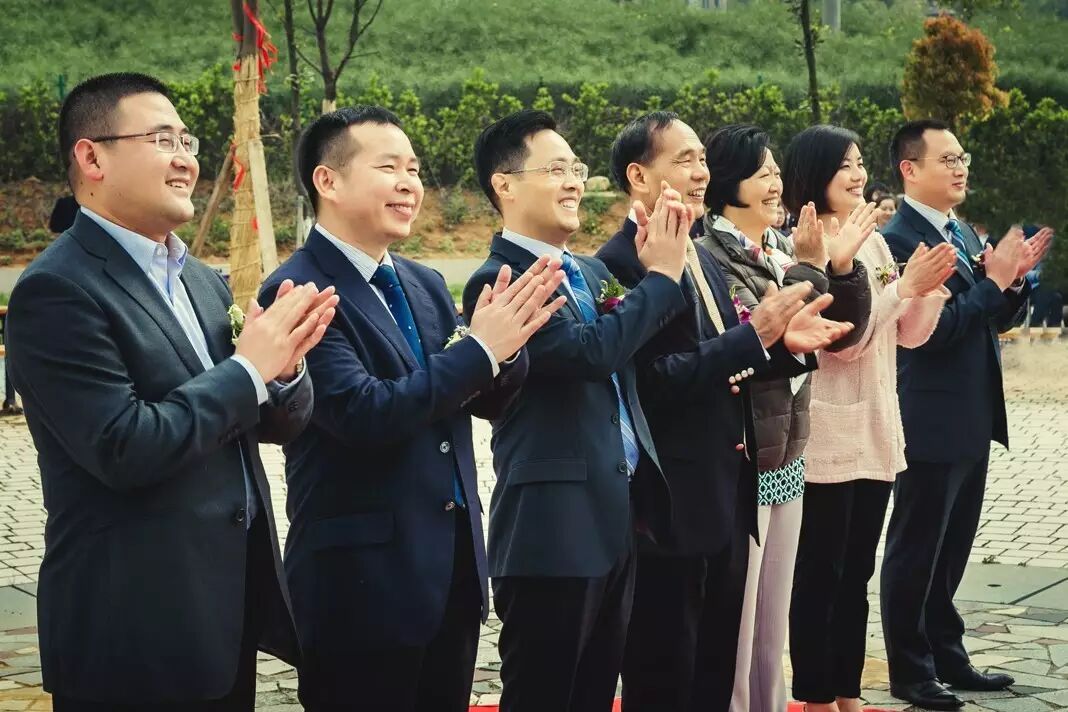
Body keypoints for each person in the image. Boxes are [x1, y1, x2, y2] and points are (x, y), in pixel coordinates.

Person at [5, 72, 338, 711]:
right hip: (132, 626)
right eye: (162, 140)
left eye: (187, 141)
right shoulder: (58, 291)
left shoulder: (201, 281)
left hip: (223, 610)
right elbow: (123, 446)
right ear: (92, 157)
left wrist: (285, 370)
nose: (185, 158)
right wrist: (249, 369)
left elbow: (272, 424)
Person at [259, 106, 565, 712]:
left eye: (415, 170)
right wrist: (481, 350)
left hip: (449, 572)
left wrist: (507, 349)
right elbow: (363, 414)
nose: (409, 184)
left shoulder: (422, 282)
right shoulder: (296, 290)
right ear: (328, 181)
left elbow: (478, 398)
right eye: (389, 168)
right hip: (360, 586)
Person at [595, 112, 853, 712]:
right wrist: (755, 336)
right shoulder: (619, 263)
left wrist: (781, 347)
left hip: (727, 492)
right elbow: (655, 381)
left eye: (702, 160)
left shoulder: (698, 251)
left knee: (714, 665)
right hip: (669, 507)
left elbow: (723, 354)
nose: (700, 173)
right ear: (638, 176)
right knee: (667, 670)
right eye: (683, 160)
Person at [463, 109, 691, 712]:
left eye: (577, 169)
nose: (573, 183)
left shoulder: (590, 271)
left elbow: (632, 347)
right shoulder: (498, 281)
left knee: (593, 692)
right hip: (550, 532)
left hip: (614, 521)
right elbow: (589, 353)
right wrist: (661, 278)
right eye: (555, 169)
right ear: (505, 185)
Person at [696, 123, 871, 712]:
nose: (776, 184)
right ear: (728, 184)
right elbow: (763, 335)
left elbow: (840, 328)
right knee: (741, 613)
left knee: (775, 612)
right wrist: (812, 267)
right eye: (762, 174)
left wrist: (841, 269)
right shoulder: (713, 257)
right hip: (747, 451)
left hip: (789, 447)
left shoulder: (780, 246)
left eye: (776, 172)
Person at [879, 119, 1053, 711]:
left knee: (952, 548)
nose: (960, 168)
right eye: (947, 159)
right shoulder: (900, 242)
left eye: (962, 158)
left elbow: (988, 318)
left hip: (971, 414)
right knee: (916, 548)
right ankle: (910, 669)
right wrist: (992, 282)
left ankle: (947, 654)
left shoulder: (956, 229)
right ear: (910, 169)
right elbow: (933, 334)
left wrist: (1014, 282)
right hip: (928, 416)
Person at [782, 124, 955, 712]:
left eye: (859, 163)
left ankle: (847, 692)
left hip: (876, 430)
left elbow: (908, 336)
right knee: (820, 575)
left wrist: (924, 289)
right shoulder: (805, 247)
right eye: (844, 165)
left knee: (856, 574)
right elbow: (844, 344)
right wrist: (901, 290)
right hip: (829, 437)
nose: (857, 175)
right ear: (814, 175)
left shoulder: (874, 243)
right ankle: (814, 696)